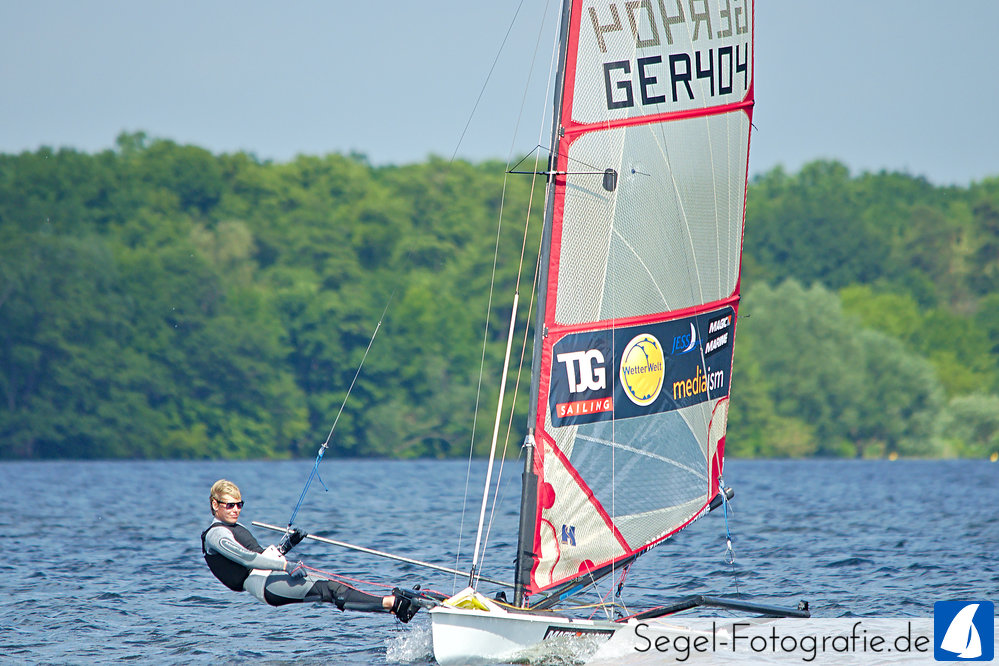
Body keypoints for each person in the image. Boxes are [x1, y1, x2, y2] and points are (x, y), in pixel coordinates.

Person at [201, 479, 425, 621]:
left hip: (268, 576)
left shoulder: (233, 528)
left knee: (333, 587)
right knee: (330, 590)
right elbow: (248, 559)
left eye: (239, 504)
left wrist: (286, 546)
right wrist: (286, 565)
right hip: (262, 585)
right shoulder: (216, 535)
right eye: (230, 505)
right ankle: (393, 604)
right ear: (215, 504)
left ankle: (394, 606)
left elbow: (260, 556)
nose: (236, 510)